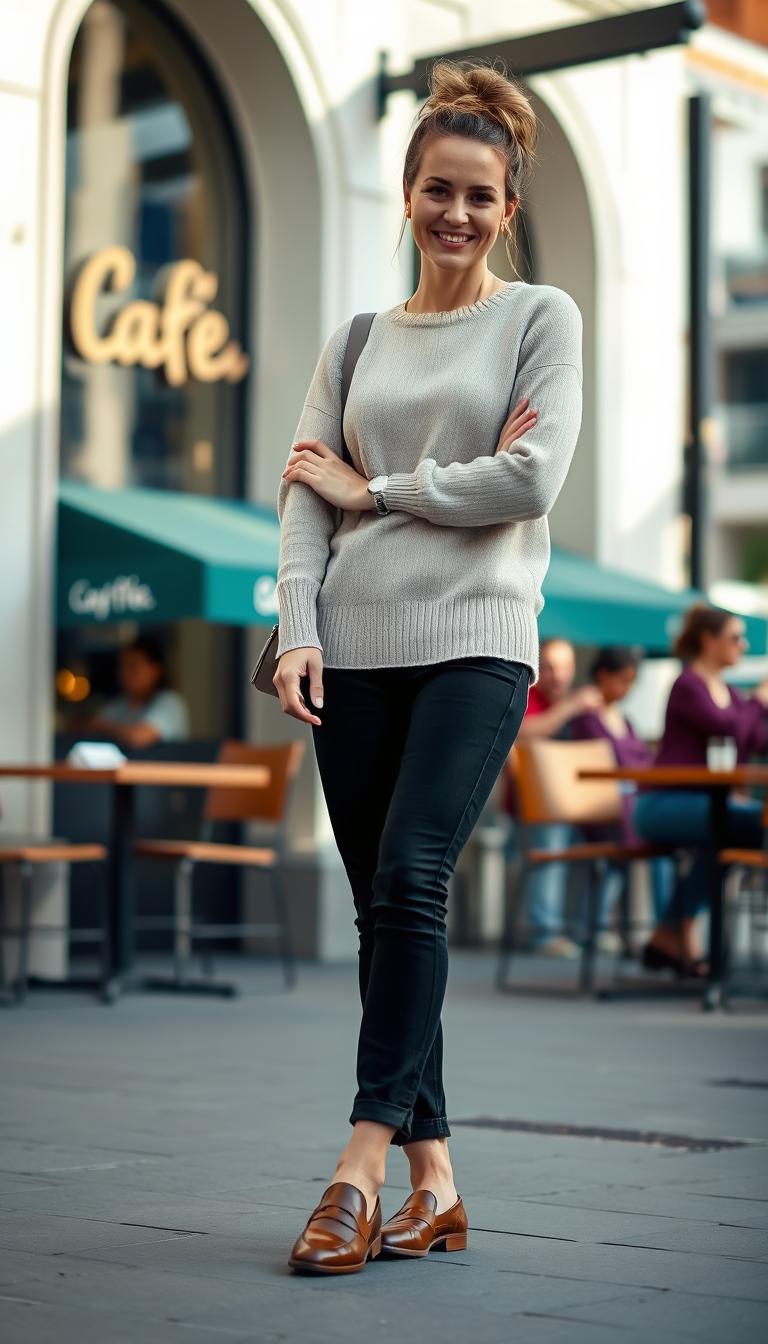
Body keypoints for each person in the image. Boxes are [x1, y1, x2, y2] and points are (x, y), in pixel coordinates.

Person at [272, 59, 583, 1274]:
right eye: (438, 190)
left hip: (479, 639)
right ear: (406, 195)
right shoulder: (355, 342)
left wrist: (385, 490)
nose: (458, 214)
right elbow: (305, 495)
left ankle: (354, 1169)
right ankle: (437, 1181)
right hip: (350, 650)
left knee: (410, 878)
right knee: (387, 913)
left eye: (482, 197)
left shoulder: (538, 318)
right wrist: (299, 624)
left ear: (508, 208)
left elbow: (534, 480)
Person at [634, 605, 768, 978]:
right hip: (661, 805)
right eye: (735, 638)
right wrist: (759, 701)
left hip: (706, 806)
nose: (743, 646)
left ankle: (671, 932)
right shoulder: (689, 684)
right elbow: (729, 728)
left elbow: (756, 737)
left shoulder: (728, 692)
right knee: (748, 826)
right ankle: (676, 932)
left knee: (729, 835)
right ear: (709, 640)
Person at [502, 637, 603, 958]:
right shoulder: (527, 696)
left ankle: (589, 928)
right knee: (552, 834)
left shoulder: (581, 705)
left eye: (564, 667)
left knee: (615, 834)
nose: (558, 675)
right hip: (531, 808)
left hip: (576, 804)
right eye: (549, 666)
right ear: (538, 668)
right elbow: (521, 732)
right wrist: (570, 707)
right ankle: (545, 933)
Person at [570, 646, 675, 953]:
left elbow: (646, 760)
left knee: (659, 845)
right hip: (601, 806)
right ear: (603, 675)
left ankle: (661, 928)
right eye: (623, 679)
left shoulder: (624, 720)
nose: (627, 688)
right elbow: (604, 764)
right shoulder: (587, 717)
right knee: (658, 842)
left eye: (632, 681)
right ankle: (664, 929)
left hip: (629, 803)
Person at [82, 636, 189, 749]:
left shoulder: (170, 702)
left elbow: (139, 737)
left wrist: (104, 727)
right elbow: (90, 726)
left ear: (155, 670)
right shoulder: (120, 704)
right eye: (123, 667)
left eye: (133, 667)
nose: (125, 674)